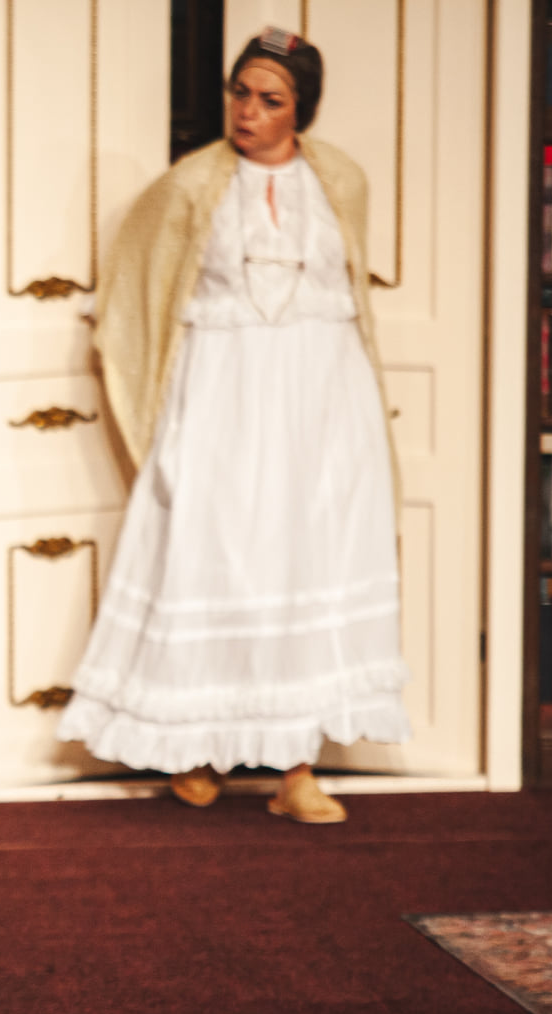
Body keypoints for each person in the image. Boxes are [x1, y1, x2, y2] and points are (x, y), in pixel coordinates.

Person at [56, 28, 408, 823]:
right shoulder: (188, 186)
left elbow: (354, 291)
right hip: (221, 394)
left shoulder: (341, 180)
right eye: (240, 93)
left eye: (270, 99)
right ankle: (195, 751)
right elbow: (134, 296)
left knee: (308, 559)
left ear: (300, 109)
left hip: (321, 400)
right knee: (211, 554)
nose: (248, 111)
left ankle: (297, 768)